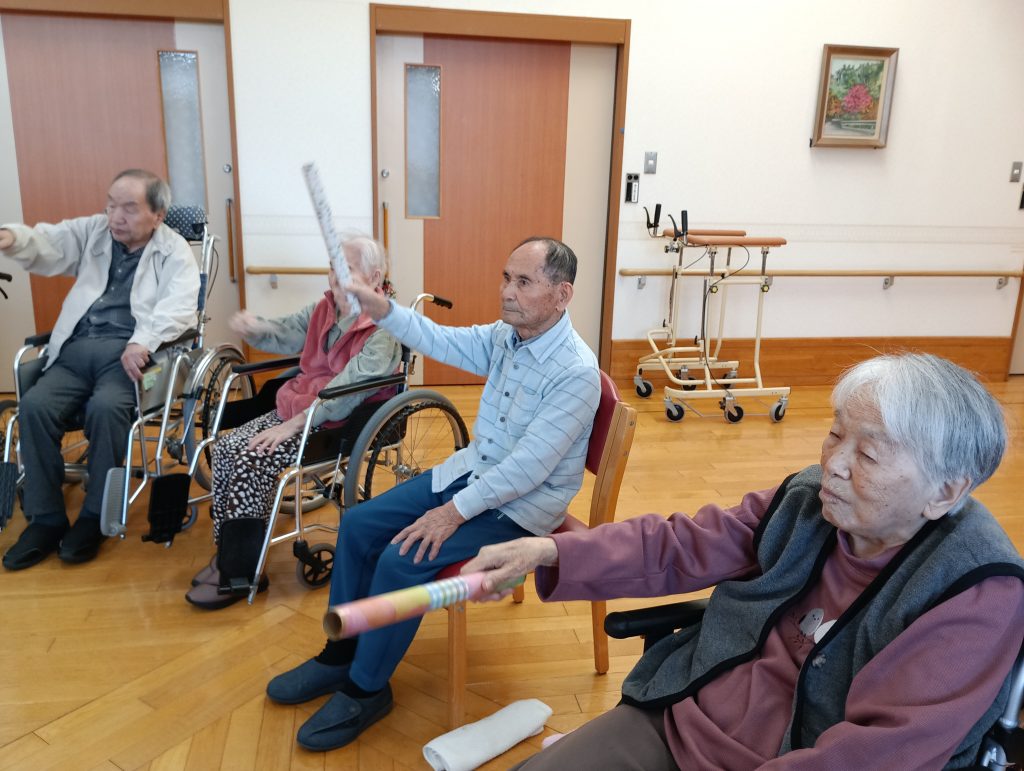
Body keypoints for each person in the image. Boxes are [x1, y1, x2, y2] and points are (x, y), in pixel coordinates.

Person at [465, 353, 1024, 770]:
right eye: (835, 434)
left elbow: (876, 754)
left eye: (869, 454)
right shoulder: (808, 501)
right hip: (684, 721)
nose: (834, 464)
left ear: (945, 491)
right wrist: (549, 549)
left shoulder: (974, 592)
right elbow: (680, 545)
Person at [265, 236, 601, 751]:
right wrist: (384, 310)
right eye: (506, 277)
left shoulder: (575, 371)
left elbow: (528, 469)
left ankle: (367, 689)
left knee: (401, 560)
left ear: (562, 295)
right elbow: (438, 339)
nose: (507, 291)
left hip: (521, 506)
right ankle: (340, 656)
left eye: (523, 282)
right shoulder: (506, 337)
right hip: (474, 474)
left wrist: (451, 513)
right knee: (358, 525)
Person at [186, 235, 402, 610]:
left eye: (347, 269)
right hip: (298, 406)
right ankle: (230, 554)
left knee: (251, 458)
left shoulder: (385, 327)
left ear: (374, 276)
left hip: (337, 421)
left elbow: (349, 391)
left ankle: (241, 573)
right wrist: (254, 327)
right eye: (333, 267)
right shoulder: (325, 308)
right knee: (225, 450)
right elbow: (286, 332)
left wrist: (294, 424)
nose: (335, 276)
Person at [0, 169, 200, 569]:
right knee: (34, 407)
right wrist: (13, 238)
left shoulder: (174, 251)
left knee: (107, 409)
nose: (115, 217)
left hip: (128, 355)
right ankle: (46, 518)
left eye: (129, 208)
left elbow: (180, 307)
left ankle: (94, 516)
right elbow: (49, 241)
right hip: (76, 350)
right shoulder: (95, 231)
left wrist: (143, 341)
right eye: (111, 205)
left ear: (158, 214)